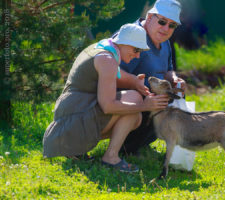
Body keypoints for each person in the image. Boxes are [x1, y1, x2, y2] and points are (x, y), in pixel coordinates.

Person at [43, 24, 170, 173]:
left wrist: (135, 82)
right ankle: (110, 157)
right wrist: (145, 106)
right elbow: (108, 106)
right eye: (136, 50)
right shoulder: (107, 60)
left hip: (72, 115)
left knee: (135, 97)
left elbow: (115, 76)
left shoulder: (104, 48)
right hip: (71, 125)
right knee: (134, 113)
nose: (137, 55)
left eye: (140, 51)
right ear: (123, 43)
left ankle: (77, 150)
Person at [112, 0, 187, 155]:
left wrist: (175, 79)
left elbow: (167, 70)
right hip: (118, 100)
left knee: (172, 100)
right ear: (150, 16)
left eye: (172, 25)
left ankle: (137, 144)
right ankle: (126, 147)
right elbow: (111, 72)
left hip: (144, 97)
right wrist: (136, 83)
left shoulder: (164, 42)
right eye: (162, 21)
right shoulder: (133, 36)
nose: (166, 28)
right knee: (157, 103)